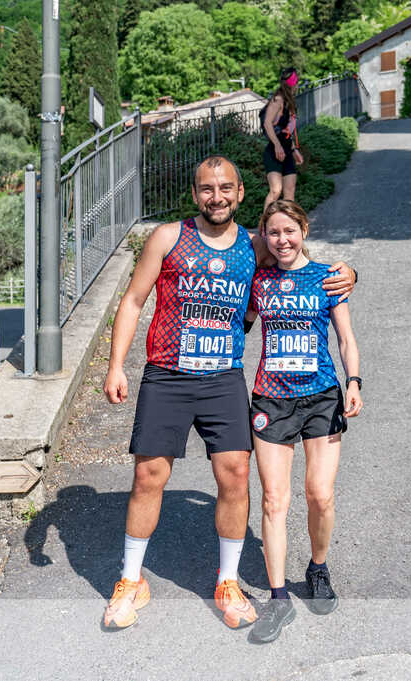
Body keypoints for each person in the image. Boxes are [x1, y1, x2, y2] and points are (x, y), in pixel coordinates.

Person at [101, 156, 357, 631]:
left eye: (225, 188)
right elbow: (134, 300)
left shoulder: (254, 244)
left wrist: (349, 273)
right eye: (206, 188)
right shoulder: (167, 237)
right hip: (168, 375)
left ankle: (228, 582)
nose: (215, 197)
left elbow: (297, 257)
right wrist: (116, 366)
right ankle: (130, 580)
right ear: (194, 193)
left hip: (223, 379)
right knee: (149, 475)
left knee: (236, 476)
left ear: (240, 193)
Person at [244, 200, 363, 644]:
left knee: (320, 495)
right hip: (271, 399)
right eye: (273, 233)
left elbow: (346, 339)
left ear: (304, 230)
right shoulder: (258, 280)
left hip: (321, 397)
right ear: (264, 236)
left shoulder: (328, 277)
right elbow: (241, 325)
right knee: (274, 500)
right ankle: (278, 600)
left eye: (289, 231)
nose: (283, 240)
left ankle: (318, 568)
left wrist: (354, 381)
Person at [262, 67, 304, 211]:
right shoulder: (278, 100)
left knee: (290, 192)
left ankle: (287, 221)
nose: (298, 85)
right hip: (274, 151)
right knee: (275, 191)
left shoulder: (288, 101)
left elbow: (286, 132)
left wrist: (294, 149)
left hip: (287, 150)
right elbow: (267, 123)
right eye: (296, 82)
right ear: (292, 84)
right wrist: (277, 146)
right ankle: (264, 223)